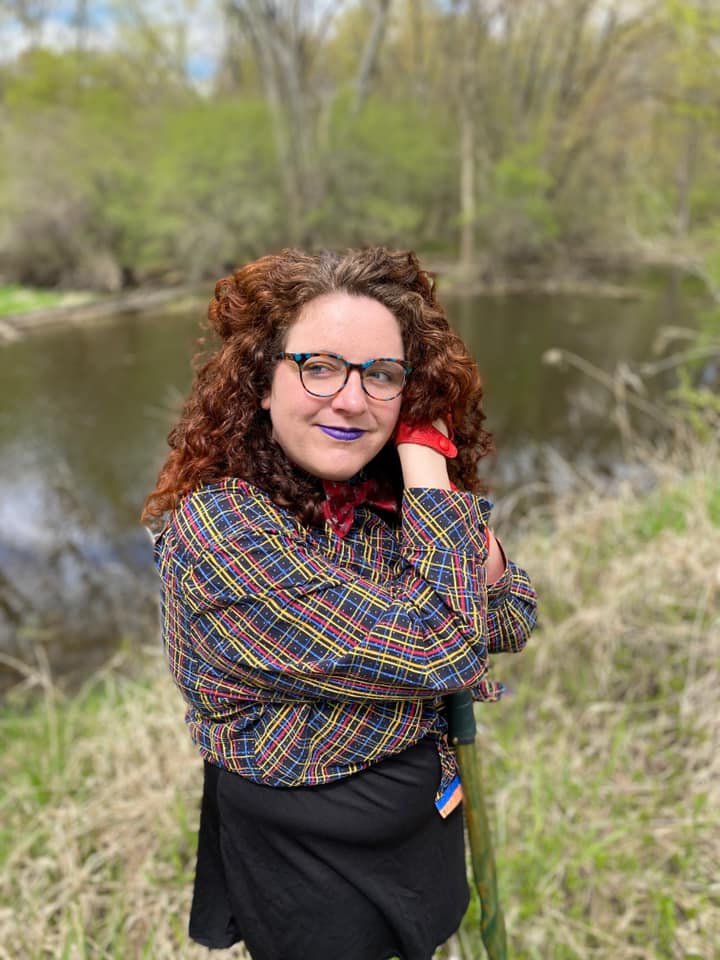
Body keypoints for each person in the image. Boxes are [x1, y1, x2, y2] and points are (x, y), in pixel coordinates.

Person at [143, 246, 537, 960]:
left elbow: (511, 619)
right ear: (262, 383)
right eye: (318, 367)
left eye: (382, 375)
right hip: (313, 877)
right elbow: (444, 645)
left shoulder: (386, 502)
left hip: (425, 841)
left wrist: (426, 499)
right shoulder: (223, 531)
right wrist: (429, 473)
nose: (351, 399)